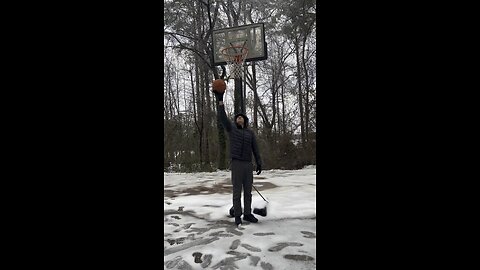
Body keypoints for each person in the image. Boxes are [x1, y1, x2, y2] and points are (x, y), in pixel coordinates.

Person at [213, 88, 263, 226]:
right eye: (237, 117)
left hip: (248, 164)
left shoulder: (250, 133)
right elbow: (223, 118)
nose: (239, 118)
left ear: (245, 120)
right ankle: (237, 216)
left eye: (241, 117)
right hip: (236, 164)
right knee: (236, 192)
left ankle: (247, 214)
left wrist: (258, 162)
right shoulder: (232, 129)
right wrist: (220, 100)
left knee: (248, 191)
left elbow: (255, 149)